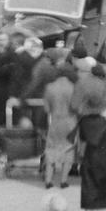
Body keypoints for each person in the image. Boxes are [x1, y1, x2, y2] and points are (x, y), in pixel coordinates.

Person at [43, 61, 79, 189]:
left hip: (56, 121)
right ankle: (63, 181)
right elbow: (77, 107)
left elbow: (46, 109)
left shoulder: (49, 87)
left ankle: (48, 180)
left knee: (51, 148)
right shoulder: (74, 87)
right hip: (70, 122)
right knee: (68, 149)